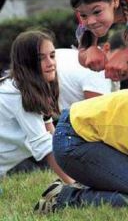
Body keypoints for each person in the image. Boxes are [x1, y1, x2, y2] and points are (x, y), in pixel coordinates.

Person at [0, 29, 74, 184]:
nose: (51, 63)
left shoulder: (30, 86)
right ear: (27, 62)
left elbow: (50, 133)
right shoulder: (18, 95)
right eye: (41, 58)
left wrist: (76, 170)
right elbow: (44, 146)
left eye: (52, 56)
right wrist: (73, 184)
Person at [55, 31, 128, 110]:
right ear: (107, 48)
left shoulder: (96, 59)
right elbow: (100, 117)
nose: (125, 69)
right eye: (124, 59)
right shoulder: (98, 74)